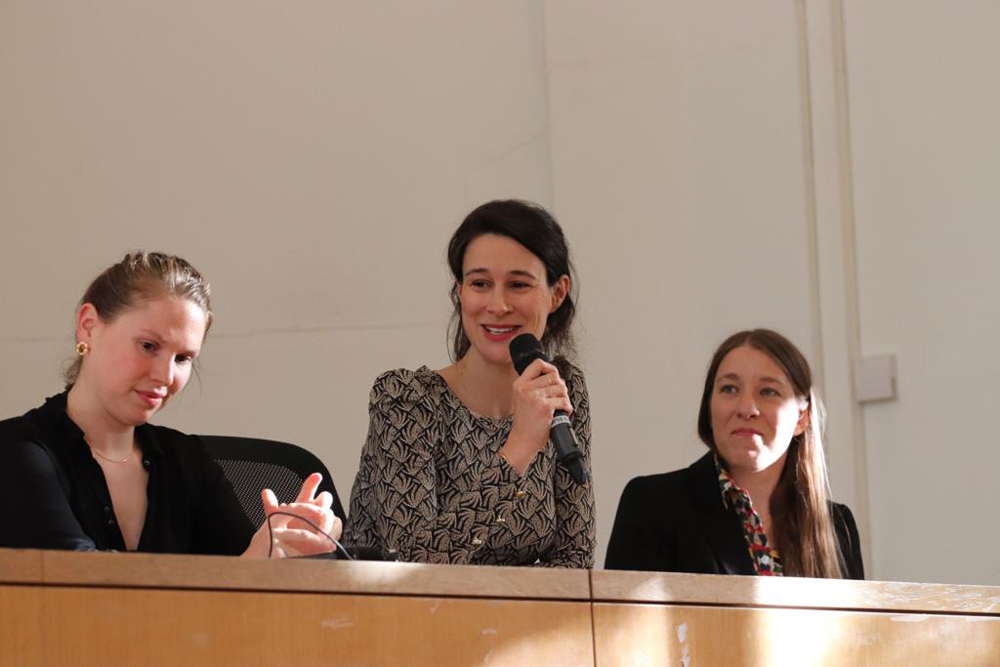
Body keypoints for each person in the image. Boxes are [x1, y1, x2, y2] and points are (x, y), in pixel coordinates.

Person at [0, 251, 340, 558]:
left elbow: (244, 580)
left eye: (183, 358)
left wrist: (289, 547)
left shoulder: (187, 460)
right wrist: (254, 564)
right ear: (88, 326)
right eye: (148, 346)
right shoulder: (16, 450)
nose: (165, 375)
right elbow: (81, 592)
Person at [343, 200, 595, 566]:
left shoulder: (562, 388)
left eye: (518, 285)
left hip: (518, 619)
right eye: (480, 283)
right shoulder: (406, 398)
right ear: (460, 292)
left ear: (557, 293)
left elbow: (576, 556)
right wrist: (519, 446)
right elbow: (413, 560)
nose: (498, 304)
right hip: (402, 618)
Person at [605, 328, 864, 578]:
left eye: (768, 391)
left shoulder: (837, 527)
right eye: (729, 389)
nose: (746, 408)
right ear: (709, 408)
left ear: (802, 417)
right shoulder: (652, 505)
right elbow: (625, 623)